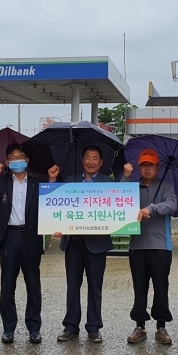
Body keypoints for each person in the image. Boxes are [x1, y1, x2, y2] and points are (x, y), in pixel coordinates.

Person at [0, 143, 60, 345]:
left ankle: (34, 328)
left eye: (21, 156)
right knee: (8, 285)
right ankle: (9, 328)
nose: (17, 160)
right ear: (7, 162)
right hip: (9, 237)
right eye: (13, 158)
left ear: (27, 160)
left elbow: (50, 203)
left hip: (30, 236)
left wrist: (52, 180)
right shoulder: (1, 181)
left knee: (33, 285)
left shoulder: (37, 182)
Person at [57, 145, 116, 344]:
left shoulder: (108, 183)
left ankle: (94, 327)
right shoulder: (69, 181)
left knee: (95, 287)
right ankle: (70, 326)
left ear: (101, 162)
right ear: (82, 160)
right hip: (73, 242)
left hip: (97, 243)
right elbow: (57, 206)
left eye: (95, 158)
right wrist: (55, 225)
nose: (91, 162)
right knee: (72, 286)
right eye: (88, 158)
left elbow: (117, 209)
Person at [120, 149, 178, 345]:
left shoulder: (167, 186)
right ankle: (139, 325)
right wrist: (125, 178)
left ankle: (161, 326)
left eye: (150, 165)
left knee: (161, 287)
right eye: (143, 164)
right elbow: (117, 200)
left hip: (161, 245)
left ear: (157, 168)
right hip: (137, 245)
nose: (146, 168)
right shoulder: (131, 187)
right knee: (139, 287)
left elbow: (172, 205)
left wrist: (151, 208)